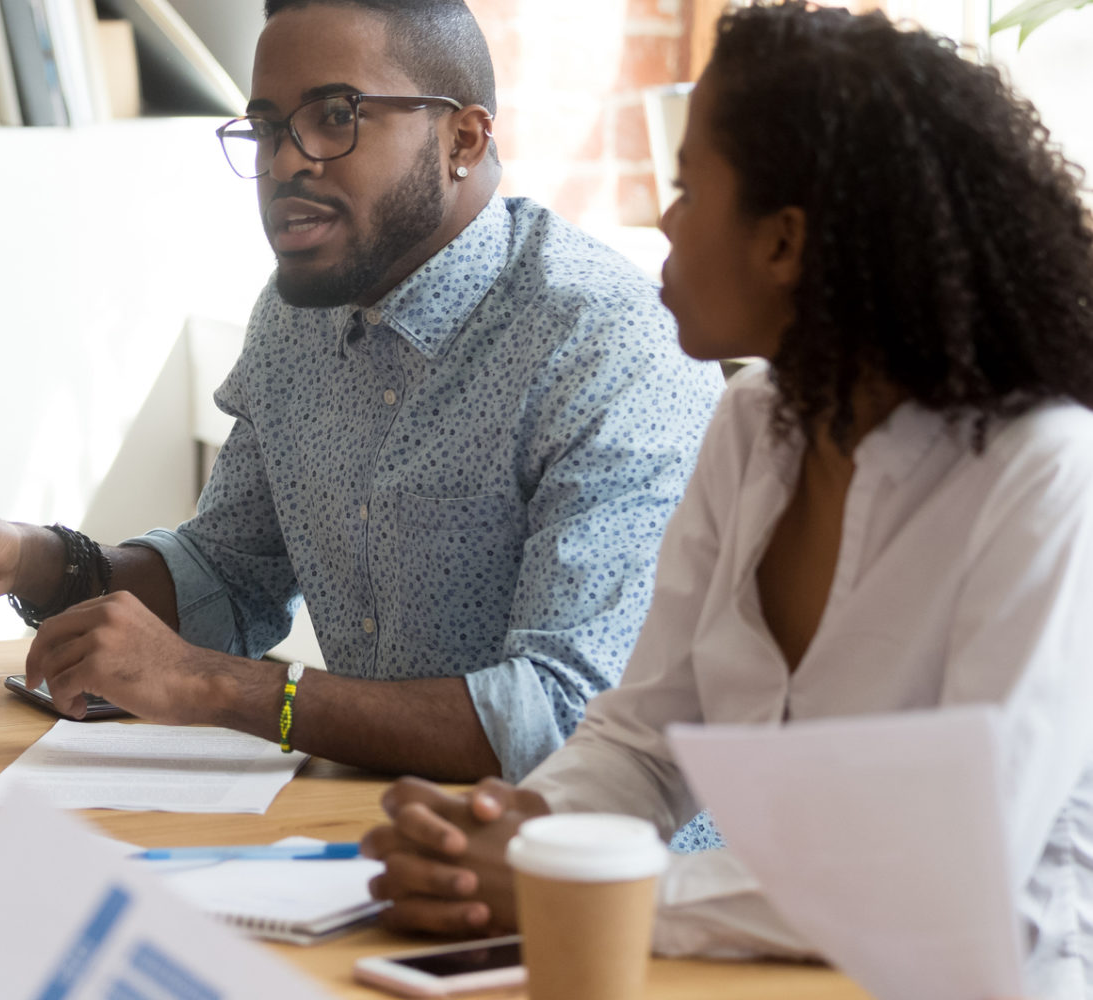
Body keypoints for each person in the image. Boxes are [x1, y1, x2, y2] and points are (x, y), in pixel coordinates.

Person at [358, 4, 1093, 995]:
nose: (665, 218)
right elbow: (649, 736)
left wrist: (585, 886)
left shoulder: (1045, 473)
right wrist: (506, 833)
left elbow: (953, 870)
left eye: (689, 187)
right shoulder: (751, 423)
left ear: (786, 241)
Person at [0, 0, 722, 781]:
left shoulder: (607, 342)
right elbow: (229, 578)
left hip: (618, 894)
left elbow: (566, 721)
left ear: (462, 139)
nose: (284, 162)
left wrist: (217, 687)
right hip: (380, 836)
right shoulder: (299, 318)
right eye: (265, 128)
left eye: (337, 116)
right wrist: (32, 560)